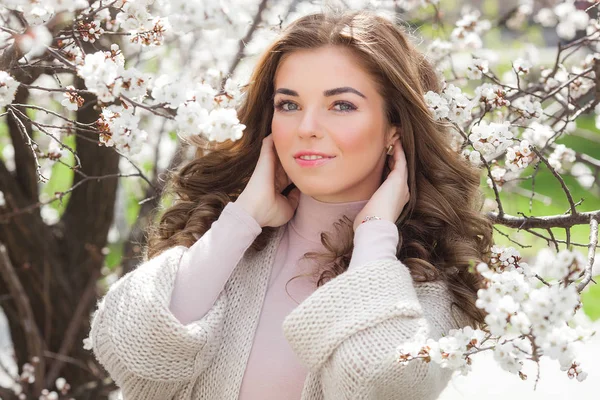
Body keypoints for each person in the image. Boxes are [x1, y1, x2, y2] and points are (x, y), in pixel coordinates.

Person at [88, 9, 493, 400]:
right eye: (289, 105)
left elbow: (378, 381)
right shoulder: (230, 244)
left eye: (342, 105)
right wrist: (241, 220)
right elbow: (129, 353)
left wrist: (374, 233)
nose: (307, 128)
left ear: (394, 128)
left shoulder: (428, 284)